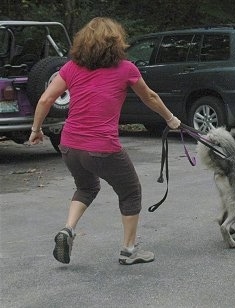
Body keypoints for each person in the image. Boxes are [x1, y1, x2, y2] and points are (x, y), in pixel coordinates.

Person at [29, 17, 181, 265]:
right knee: (131, 192)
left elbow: (46, 99)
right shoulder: (126, 68)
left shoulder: (70, 68)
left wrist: (36, 129)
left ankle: (68, 229)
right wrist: (171, 118)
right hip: (101, 147)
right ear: (116, 43)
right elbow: (150, 97)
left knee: (87, 187)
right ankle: (130, 250)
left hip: (70, 146)